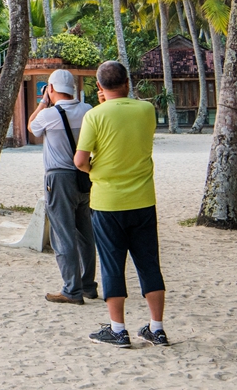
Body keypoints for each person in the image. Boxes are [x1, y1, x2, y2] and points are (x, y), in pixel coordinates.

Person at [75, 61, 168, 348]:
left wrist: (97, 172)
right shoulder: (147, 110)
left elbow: (80, 161)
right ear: (128, 82)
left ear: (99, 87)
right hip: (142, 200)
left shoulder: (95, 115)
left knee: (112, 266)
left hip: (107, 202)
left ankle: (118, 330)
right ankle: (157, 328)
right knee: (149, 264)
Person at [27, 69, 97, 305]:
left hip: (58, 178)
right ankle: (88, 285)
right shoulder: (87, 111)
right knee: (85, 233)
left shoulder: (49, 114)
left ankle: (71, 290)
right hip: (84, 176)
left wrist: (43, 103)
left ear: (52, 88)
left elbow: (31, 127)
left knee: (62, 234)